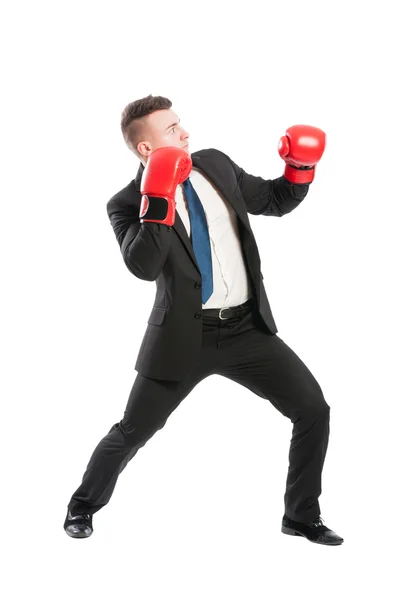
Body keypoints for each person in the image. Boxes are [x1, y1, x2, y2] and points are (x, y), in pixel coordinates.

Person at [64, 94, 343, 546]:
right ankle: (82, 506)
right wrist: (158, 197)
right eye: (173, 129)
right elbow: (143, 266)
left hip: (246, 330)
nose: (186, 132)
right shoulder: (124, 202)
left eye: (181, 124)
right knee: (134, 431)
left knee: (314, 410)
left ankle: (300, 516)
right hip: (182, 337)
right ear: (146, 149)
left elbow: (274, 200)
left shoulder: (214, 164)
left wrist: (300, 168)